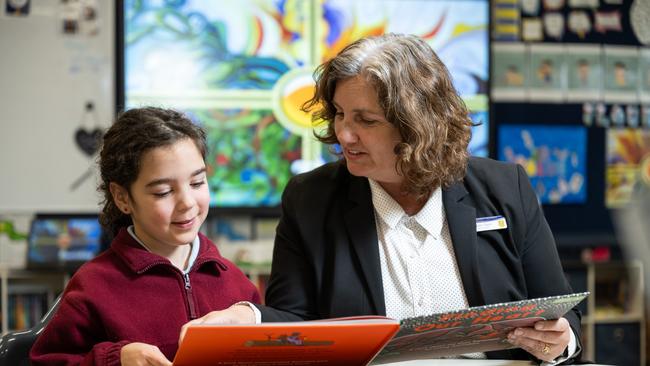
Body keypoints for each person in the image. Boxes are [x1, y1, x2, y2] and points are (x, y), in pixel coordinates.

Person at [186, 34, 582, 363]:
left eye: (366, 120)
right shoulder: (311, 199)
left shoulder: (504, 186)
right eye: (340, 114)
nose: (344, 134)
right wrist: (248, 316)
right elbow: (295, 324)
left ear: (419, 125)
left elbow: (563, 316)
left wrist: (561, 342)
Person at [30, 107, 260, 365]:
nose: (187, 203)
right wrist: (116, 360)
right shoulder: (93, 285)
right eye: (163, 192)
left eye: (197, 183)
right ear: (122, 197)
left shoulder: (235, 281)